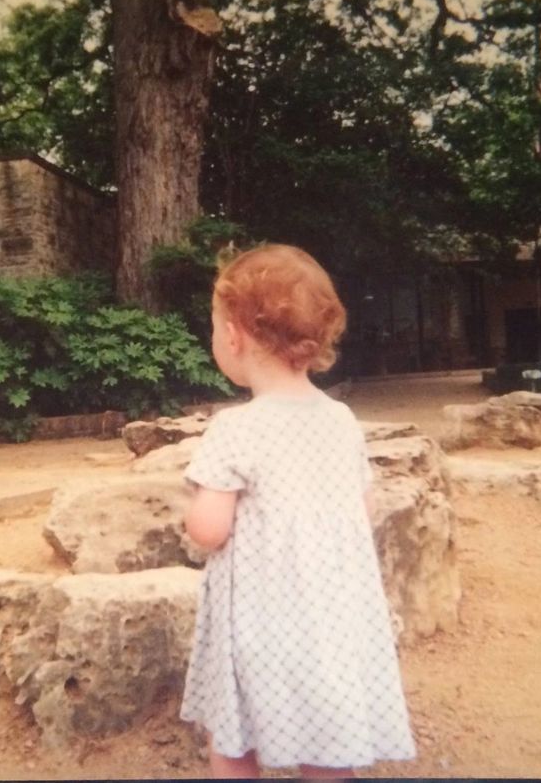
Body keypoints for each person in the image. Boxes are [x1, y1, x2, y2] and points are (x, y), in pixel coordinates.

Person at [179, 244, 416, 779]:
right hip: (331, 617)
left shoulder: (236, 428)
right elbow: (364, 505)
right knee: (328, 741)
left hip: (259, 623)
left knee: (235, 737)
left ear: (233, 337)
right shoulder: (340, 420)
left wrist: (193, 512)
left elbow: (209, 530)